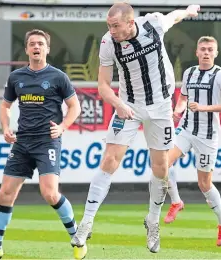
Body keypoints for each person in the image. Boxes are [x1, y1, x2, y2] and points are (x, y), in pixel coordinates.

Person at [70, 2, 201, 255]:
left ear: (131, 22)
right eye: (109, 26)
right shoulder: (108, 43)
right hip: (127, 106)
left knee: (161, 169)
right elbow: (103, 85)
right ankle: (86, 223)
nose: (111, 30)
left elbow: (172, 17)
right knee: (109, 160)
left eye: (115, 26)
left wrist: (188, 10)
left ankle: (152, 221)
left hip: (161, 108)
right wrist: (118, 104)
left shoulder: (151, 24)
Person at [0, 29, 85, 260]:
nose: (36, 47)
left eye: (40, 44)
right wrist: (5, 127)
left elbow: (75, 106)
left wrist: (63, 126)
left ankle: (78, 238)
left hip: (47, 140)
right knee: (5, 193)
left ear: (47, 49)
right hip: (22, 141)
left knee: (49, 193)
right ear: (26, 49)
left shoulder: (58, 77)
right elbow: (5, 106)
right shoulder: (17, 78)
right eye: (32, 44)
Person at [163, 36, 221, 246]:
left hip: (207, 135)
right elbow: (183, 98)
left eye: (210, 49)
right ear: (196, 52)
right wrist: (177, 110)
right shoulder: (189, 72)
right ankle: (176, 201)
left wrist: (204, 108)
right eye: (202, 49)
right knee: (162, 164)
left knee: (204, 184)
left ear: (215, 53)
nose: (206, 52)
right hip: (186, 129)